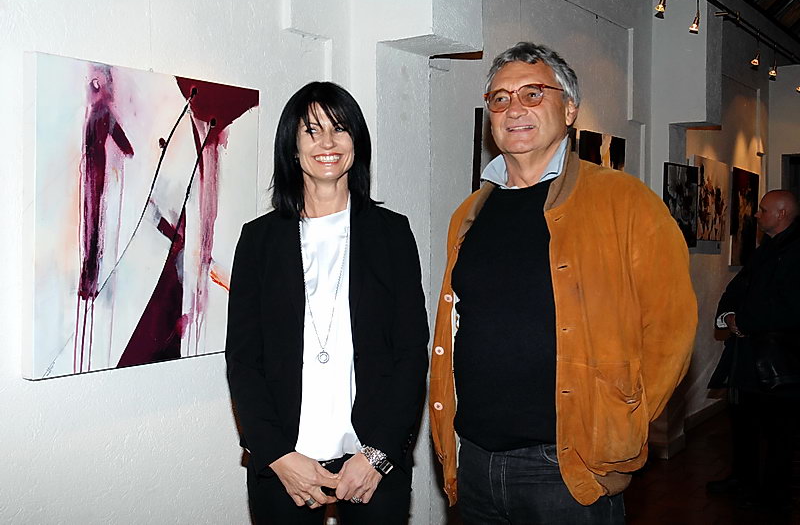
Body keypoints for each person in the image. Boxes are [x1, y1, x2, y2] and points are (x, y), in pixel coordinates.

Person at [429, 42, 697, 524]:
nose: (514, 109)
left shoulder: (625, 201)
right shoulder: (469, 214)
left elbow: (671, 327)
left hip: (567, 469)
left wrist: (623, 423)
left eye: (533, 93)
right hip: (475, 460)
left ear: (570, 109)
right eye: (500, 98)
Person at [225, 81, 429, 524]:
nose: (328, 143)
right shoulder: (258, 241)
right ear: (292, 147)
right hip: (284, 462)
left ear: (357, 142)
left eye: (340, 129)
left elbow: (411, 353)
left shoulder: (392, 234)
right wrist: (277, 455)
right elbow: (243, 361)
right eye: (312, 131)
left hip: (371, 462)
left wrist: (377, 454)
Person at [707, 189, 800, 510]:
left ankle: (773, 494)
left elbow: (790, 306)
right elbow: (738, 288)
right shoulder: (767, 248)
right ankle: (742, 478)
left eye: (763, 210)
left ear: (782, 213)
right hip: (748, 354)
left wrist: (744, 320)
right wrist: (728, 316)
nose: (757, 214)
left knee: (778, 430)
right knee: (743, 421)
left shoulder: (796, 251)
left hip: (779, 359)